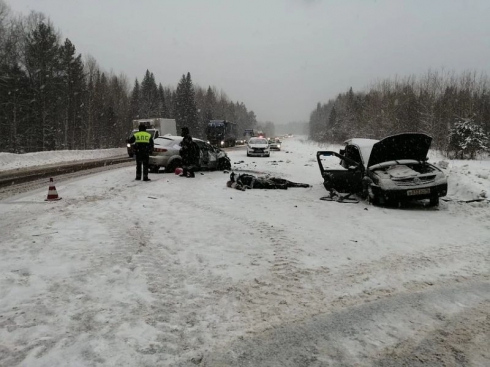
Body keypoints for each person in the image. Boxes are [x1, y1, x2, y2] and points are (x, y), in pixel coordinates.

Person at [227, 172, 310, 190]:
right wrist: (243, 187)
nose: (236, 175)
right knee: (274, 184)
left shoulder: (243, 175)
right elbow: (236, 186)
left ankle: (297, 184)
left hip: (260, 180)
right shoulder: (236, 182)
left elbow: (254, 177)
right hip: (258, 184)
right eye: (234, 175)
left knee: (277, 180)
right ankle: (284, 185)